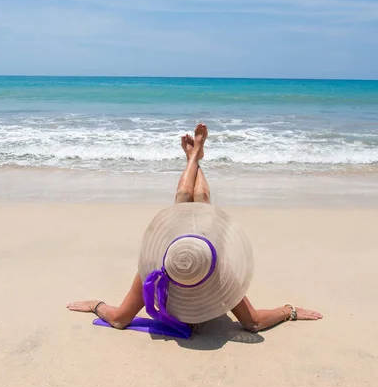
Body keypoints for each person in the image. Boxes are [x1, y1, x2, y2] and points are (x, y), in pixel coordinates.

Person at [67, 123, 322, 336]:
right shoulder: (179, 274)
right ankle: (195, 157)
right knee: (197, 199)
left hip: (193, 246)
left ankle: (193, 157)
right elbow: (252, 322)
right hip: (181, 248)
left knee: (191, 198)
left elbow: (119, 319)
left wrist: (96, 305)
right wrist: (288, 310)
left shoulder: (195, 274)